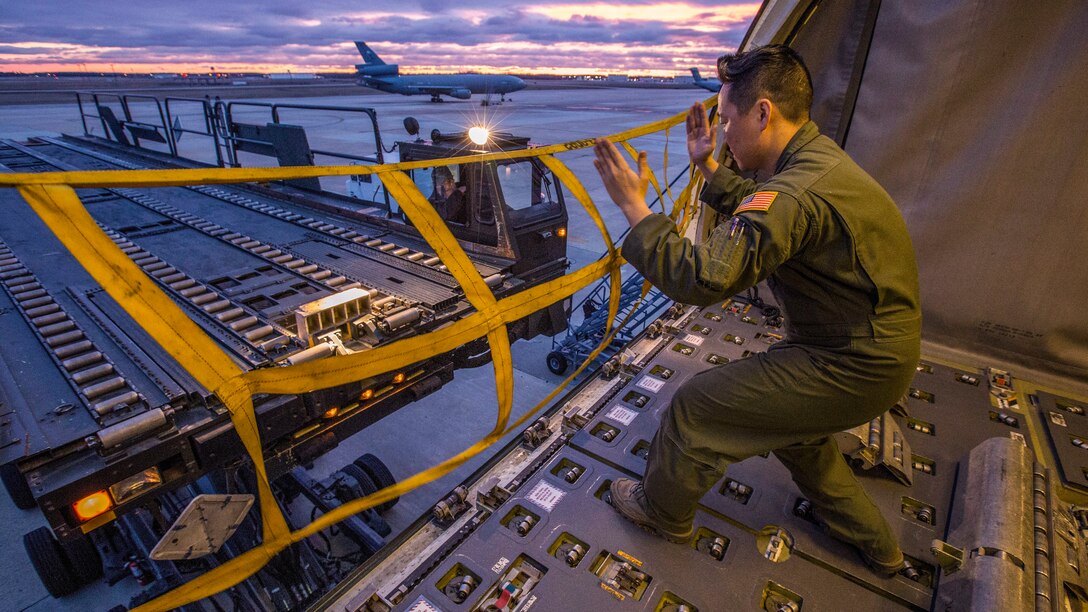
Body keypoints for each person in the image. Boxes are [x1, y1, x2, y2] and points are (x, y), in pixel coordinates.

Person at [592, 44, 920, 578]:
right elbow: (763, 204)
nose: (721, 130)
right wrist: (707, 166)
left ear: (763, 112)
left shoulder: (796, 190)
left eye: (727, 120)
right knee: (799, 437)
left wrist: (634, 206)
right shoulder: (816, 164)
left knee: (696, 407)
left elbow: (702, 277)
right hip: (873, 352)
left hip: (852, 363)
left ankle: (661, 512)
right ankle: (881, 548)